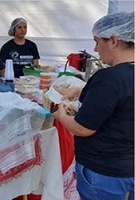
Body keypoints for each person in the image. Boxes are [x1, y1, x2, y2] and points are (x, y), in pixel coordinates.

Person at [53, 11, 134, 200]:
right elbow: (122, 102)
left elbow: (83, 128)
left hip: (103, 171)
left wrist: (60, 114)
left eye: (97, 41)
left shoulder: (109, 78)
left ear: (114, 41)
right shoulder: (124, 76)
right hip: (127, 165)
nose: (95, 49)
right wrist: (83, 91)